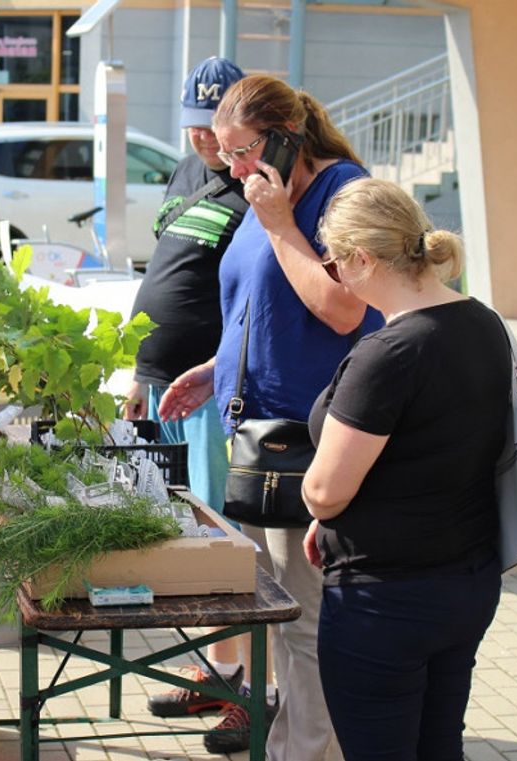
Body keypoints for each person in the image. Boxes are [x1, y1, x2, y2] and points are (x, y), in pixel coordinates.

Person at [159, 74, 384, 760]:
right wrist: (215, 370)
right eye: (223, 156)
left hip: (310, 440)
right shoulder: (267, 197)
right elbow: (258, 303)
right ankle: (290, 740)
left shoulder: (341, 194)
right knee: (281, 618)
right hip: (260, 438)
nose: (232, 168)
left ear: (285, 141)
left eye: (242, 151)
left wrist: (281, 223)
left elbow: (344, 308)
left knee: (305, 621)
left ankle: (309, 748)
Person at [302, 177, 507, 760]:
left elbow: (323, 492)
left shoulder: (389, 353)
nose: (336, 277)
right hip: (465, 581)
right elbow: (440, 445)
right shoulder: (483, 323)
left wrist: (328, 504)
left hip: (384, 598)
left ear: (362, 258)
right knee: (440, 746)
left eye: (335, 265)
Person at [125, 57, 253, 730]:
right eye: (194, 128)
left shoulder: (257, 189)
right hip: (159, 387)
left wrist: (210, 370)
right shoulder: (187, 171)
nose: (205, 142)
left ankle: (242, 682)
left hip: (207, 393)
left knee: (220, 540)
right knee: (184, 534)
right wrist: (135, 372)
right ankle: (216, 668)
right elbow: (166, 268)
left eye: (214, 129)